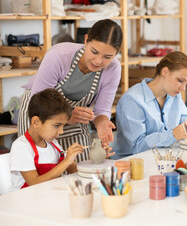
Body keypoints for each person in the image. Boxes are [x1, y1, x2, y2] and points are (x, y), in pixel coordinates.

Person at [18, 19, 123, 161]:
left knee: (81, 163)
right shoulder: (59, 56)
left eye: (107, 57)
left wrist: (102, 123)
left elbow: (102, 110)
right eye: (94, 52)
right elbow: (38, 101)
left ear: (116, 53)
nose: (98, 61)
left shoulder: (114, 69)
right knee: (42, 164)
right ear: (86, 40)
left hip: (75, 115)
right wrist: (66, 116)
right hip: (39, 109)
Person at [113, 51, 187, 158]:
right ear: (165, 72)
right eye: (180, 81)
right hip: (133, 163)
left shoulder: (174, 96)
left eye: (186, 83)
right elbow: (137, 147)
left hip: (163, 159)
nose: (183, 88)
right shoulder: (132, 100)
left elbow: (186, 123)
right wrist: (173, 135)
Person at [9, 89, 84, 191]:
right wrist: (66, 161)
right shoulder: (21, 146)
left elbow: (74, 171)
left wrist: (97, 158)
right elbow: (34, 183)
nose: (61, 131)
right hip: (25, 201)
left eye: (63, 126)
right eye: (57, 125)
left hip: (47, 197)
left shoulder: (53, 144)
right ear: (36, 122)